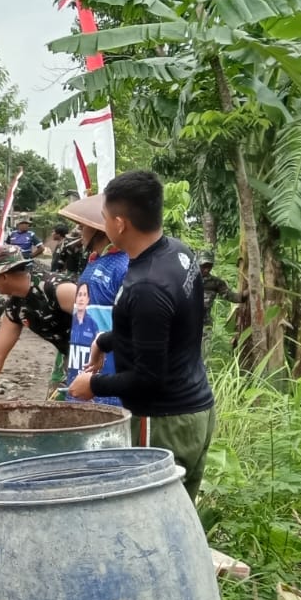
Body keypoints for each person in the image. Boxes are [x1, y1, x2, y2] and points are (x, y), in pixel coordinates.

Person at [67, 171, 217, 502]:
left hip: (163, 423)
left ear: (120, 224)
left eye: (104, 217)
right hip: (195, 409)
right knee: (179, 517)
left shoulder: (147, 286)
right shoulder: (177, 253)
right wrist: (106, 341)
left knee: (152, 518)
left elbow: (148, 378)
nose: (103, 223)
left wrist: (93, 385)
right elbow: (167, 330)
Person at [0, 244, 75, 404]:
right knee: (57, 405)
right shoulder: (15, 307)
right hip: (68, 354)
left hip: (98, 352)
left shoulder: (56, 289)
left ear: (3, 276)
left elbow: (101, 320)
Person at [57, 195, 128, 407]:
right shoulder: (94, 262)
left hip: (107, 378)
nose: (80, 233)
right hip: (82, 366)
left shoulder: (123, 265)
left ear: (99, 229)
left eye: (83, 227)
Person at [199, 252, 246, 351]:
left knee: (204, 353)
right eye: (203, 266)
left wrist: (246, 293)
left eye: (209, 266)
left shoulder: (215, 282)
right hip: (186, 323)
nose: (206, 269)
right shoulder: (187, 280)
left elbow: (231, 296)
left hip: (204, 324)